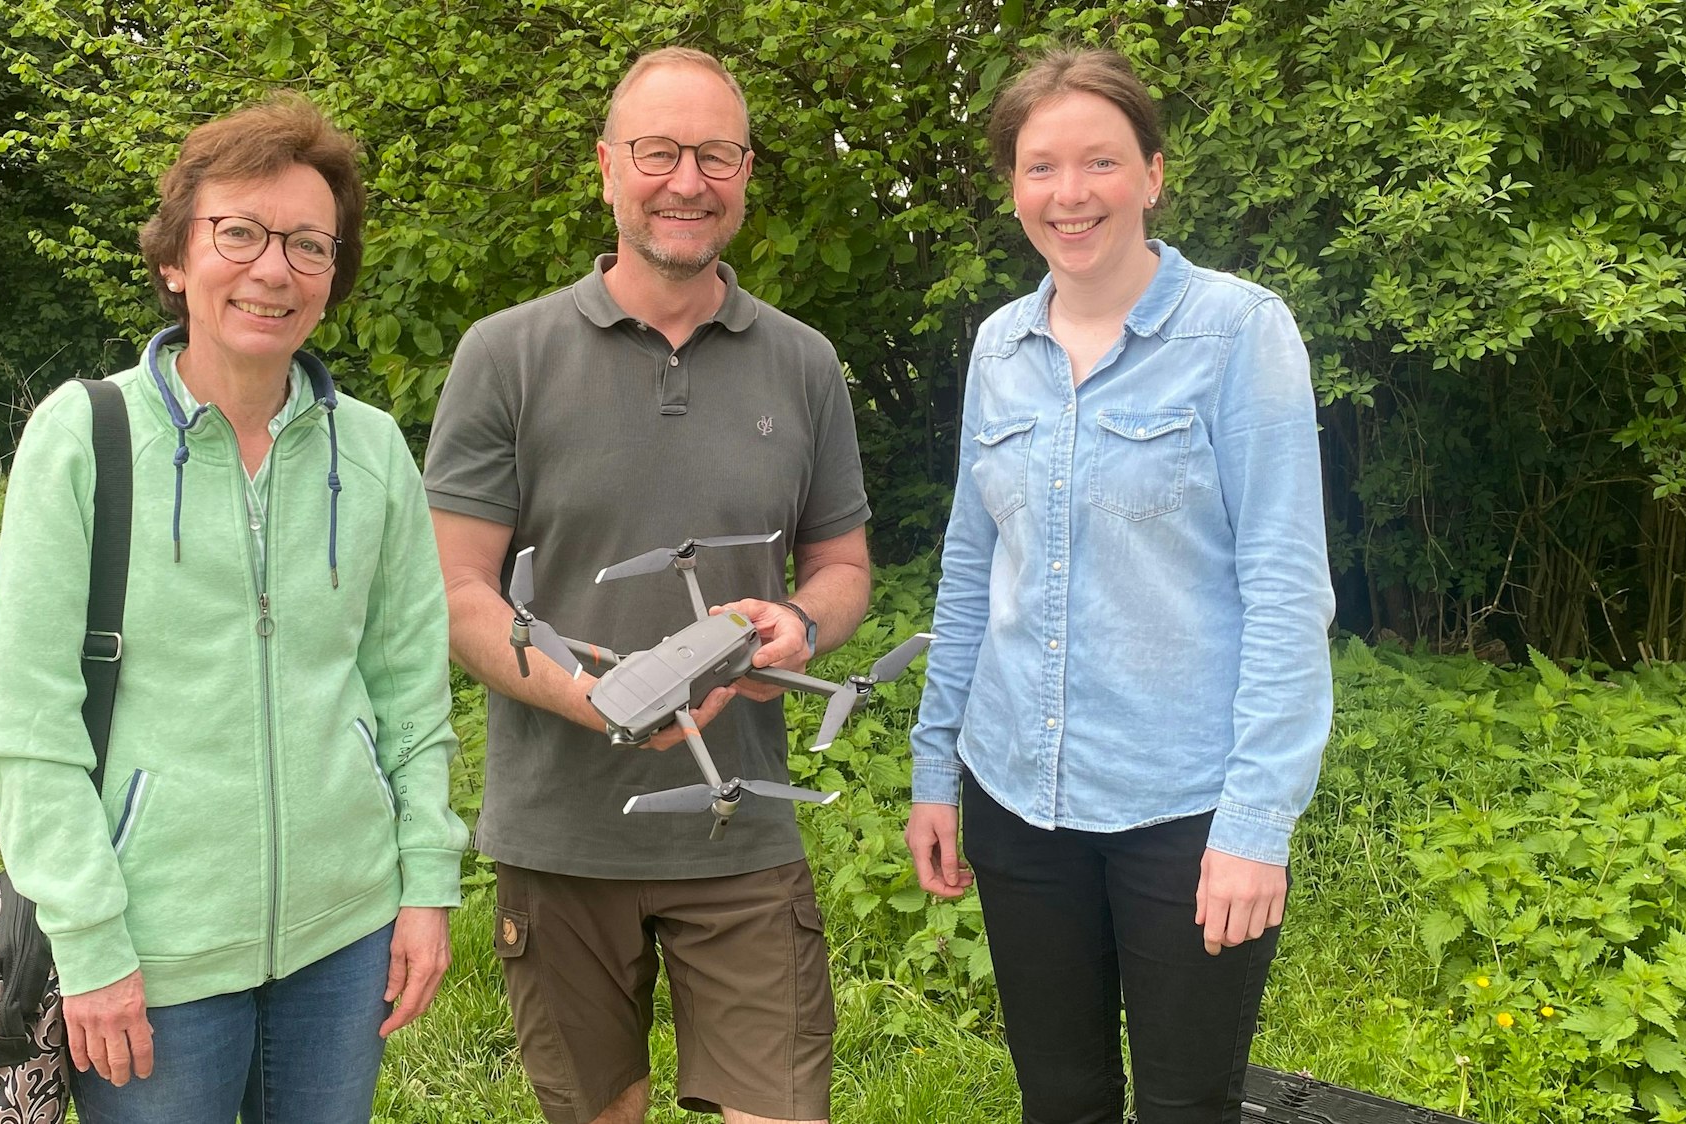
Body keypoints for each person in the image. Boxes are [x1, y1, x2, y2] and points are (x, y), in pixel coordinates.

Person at [0, 92, 467, 1124]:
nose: (273, 268)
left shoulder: (373, 452)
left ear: (332, 275)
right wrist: (95, 939)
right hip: (154, 944)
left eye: (307, 244)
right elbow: (26, 727)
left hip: (345, 935)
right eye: (237, 232)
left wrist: (425, 882)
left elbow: (411, 693)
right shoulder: (84, 435)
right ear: (175, 258)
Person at [423, 47, 872, 1124]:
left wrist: (800, 623)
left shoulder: (805, 362)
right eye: (657, 151)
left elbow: (845, 567)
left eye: (714, 154)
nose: (686, 180)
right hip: (559, 835)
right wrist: (603, 698)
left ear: (746, 171)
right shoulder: (505, 355)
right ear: (606, 167)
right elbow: (455, 594)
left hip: (741, 834)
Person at [903, 48, 1336, 1124]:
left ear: (1151, 173)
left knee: (1188, 1103)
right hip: (1015, 796)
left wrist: (1256, 819)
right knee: (1060, 1096)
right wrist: (932, 764)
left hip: (1183, 806)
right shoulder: (999, 346)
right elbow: (970, 567)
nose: (1069, 193)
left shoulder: (1239, 332)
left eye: (1099, 161)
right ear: (1014, 186)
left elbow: (1285, 587)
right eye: (1040, 166)